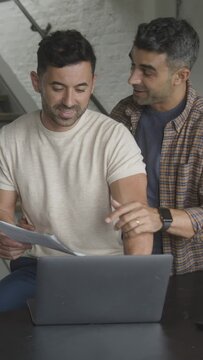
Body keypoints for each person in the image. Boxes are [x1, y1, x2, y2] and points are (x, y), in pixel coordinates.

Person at [0, 30, 152, 311]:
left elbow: (137, 224)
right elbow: (3, 211)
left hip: (106, 267)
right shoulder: (10, 138)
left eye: (80, 89)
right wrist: (7, 237)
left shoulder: (113, 137)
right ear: (36, 81)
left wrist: (134, 290)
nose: (69, 101)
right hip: (39, 268)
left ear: (93, 84)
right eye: (58, 87)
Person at [109, 17, 203, 275]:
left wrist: (160, 218)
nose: (132, 79)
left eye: (147, 71)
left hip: (187, 275)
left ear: (180, 76)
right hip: (121, 263)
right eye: (133, 65)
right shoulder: (123, 113)